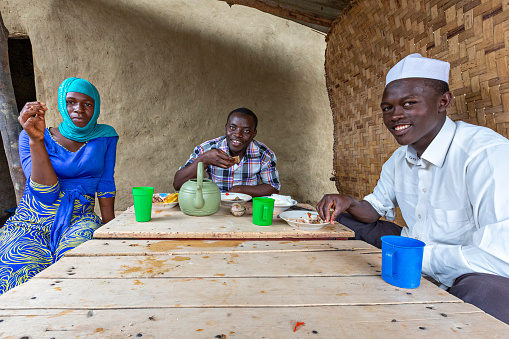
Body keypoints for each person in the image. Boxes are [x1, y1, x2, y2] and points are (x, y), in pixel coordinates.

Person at [316, 54, 509, 324]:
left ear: (443, 102)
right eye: (387, 108)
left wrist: (418, 258)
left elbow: (501, 258)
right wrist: (348, 201)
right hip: (409, 254)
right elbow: (374, 210)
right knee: (346, 220)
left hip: (465, 273)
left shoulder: (484, 154)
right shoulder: (399, 160)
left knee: (492, 293)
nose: (395, 116)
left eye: (409, 104)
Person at [0, 77, 118, 294]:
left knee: (75, 273)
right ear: (62, 105)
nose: (79, 109)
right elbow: (46, 194)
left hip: (79, 218)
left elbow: (105, 182)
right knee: (17, 276)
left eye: (87, 104)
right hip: (32, 219)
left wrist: (112, 230)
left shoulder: (105, 136)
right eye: (71, 102)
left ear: (96, 107)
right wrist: (36, 140)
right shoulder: (31, 136)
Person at [173, 107, 280, 197]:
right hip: (211, 206)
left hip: (246, 210)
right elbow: (178, 184)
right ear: (226, 127)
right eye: (233, 128)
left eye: (246, 131)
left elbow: (273, 188)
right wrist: (203, 160)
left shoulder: (264, 154)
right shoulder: (206, 149)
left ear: (254, 133)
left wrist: (238, 190)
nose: (238, 134)